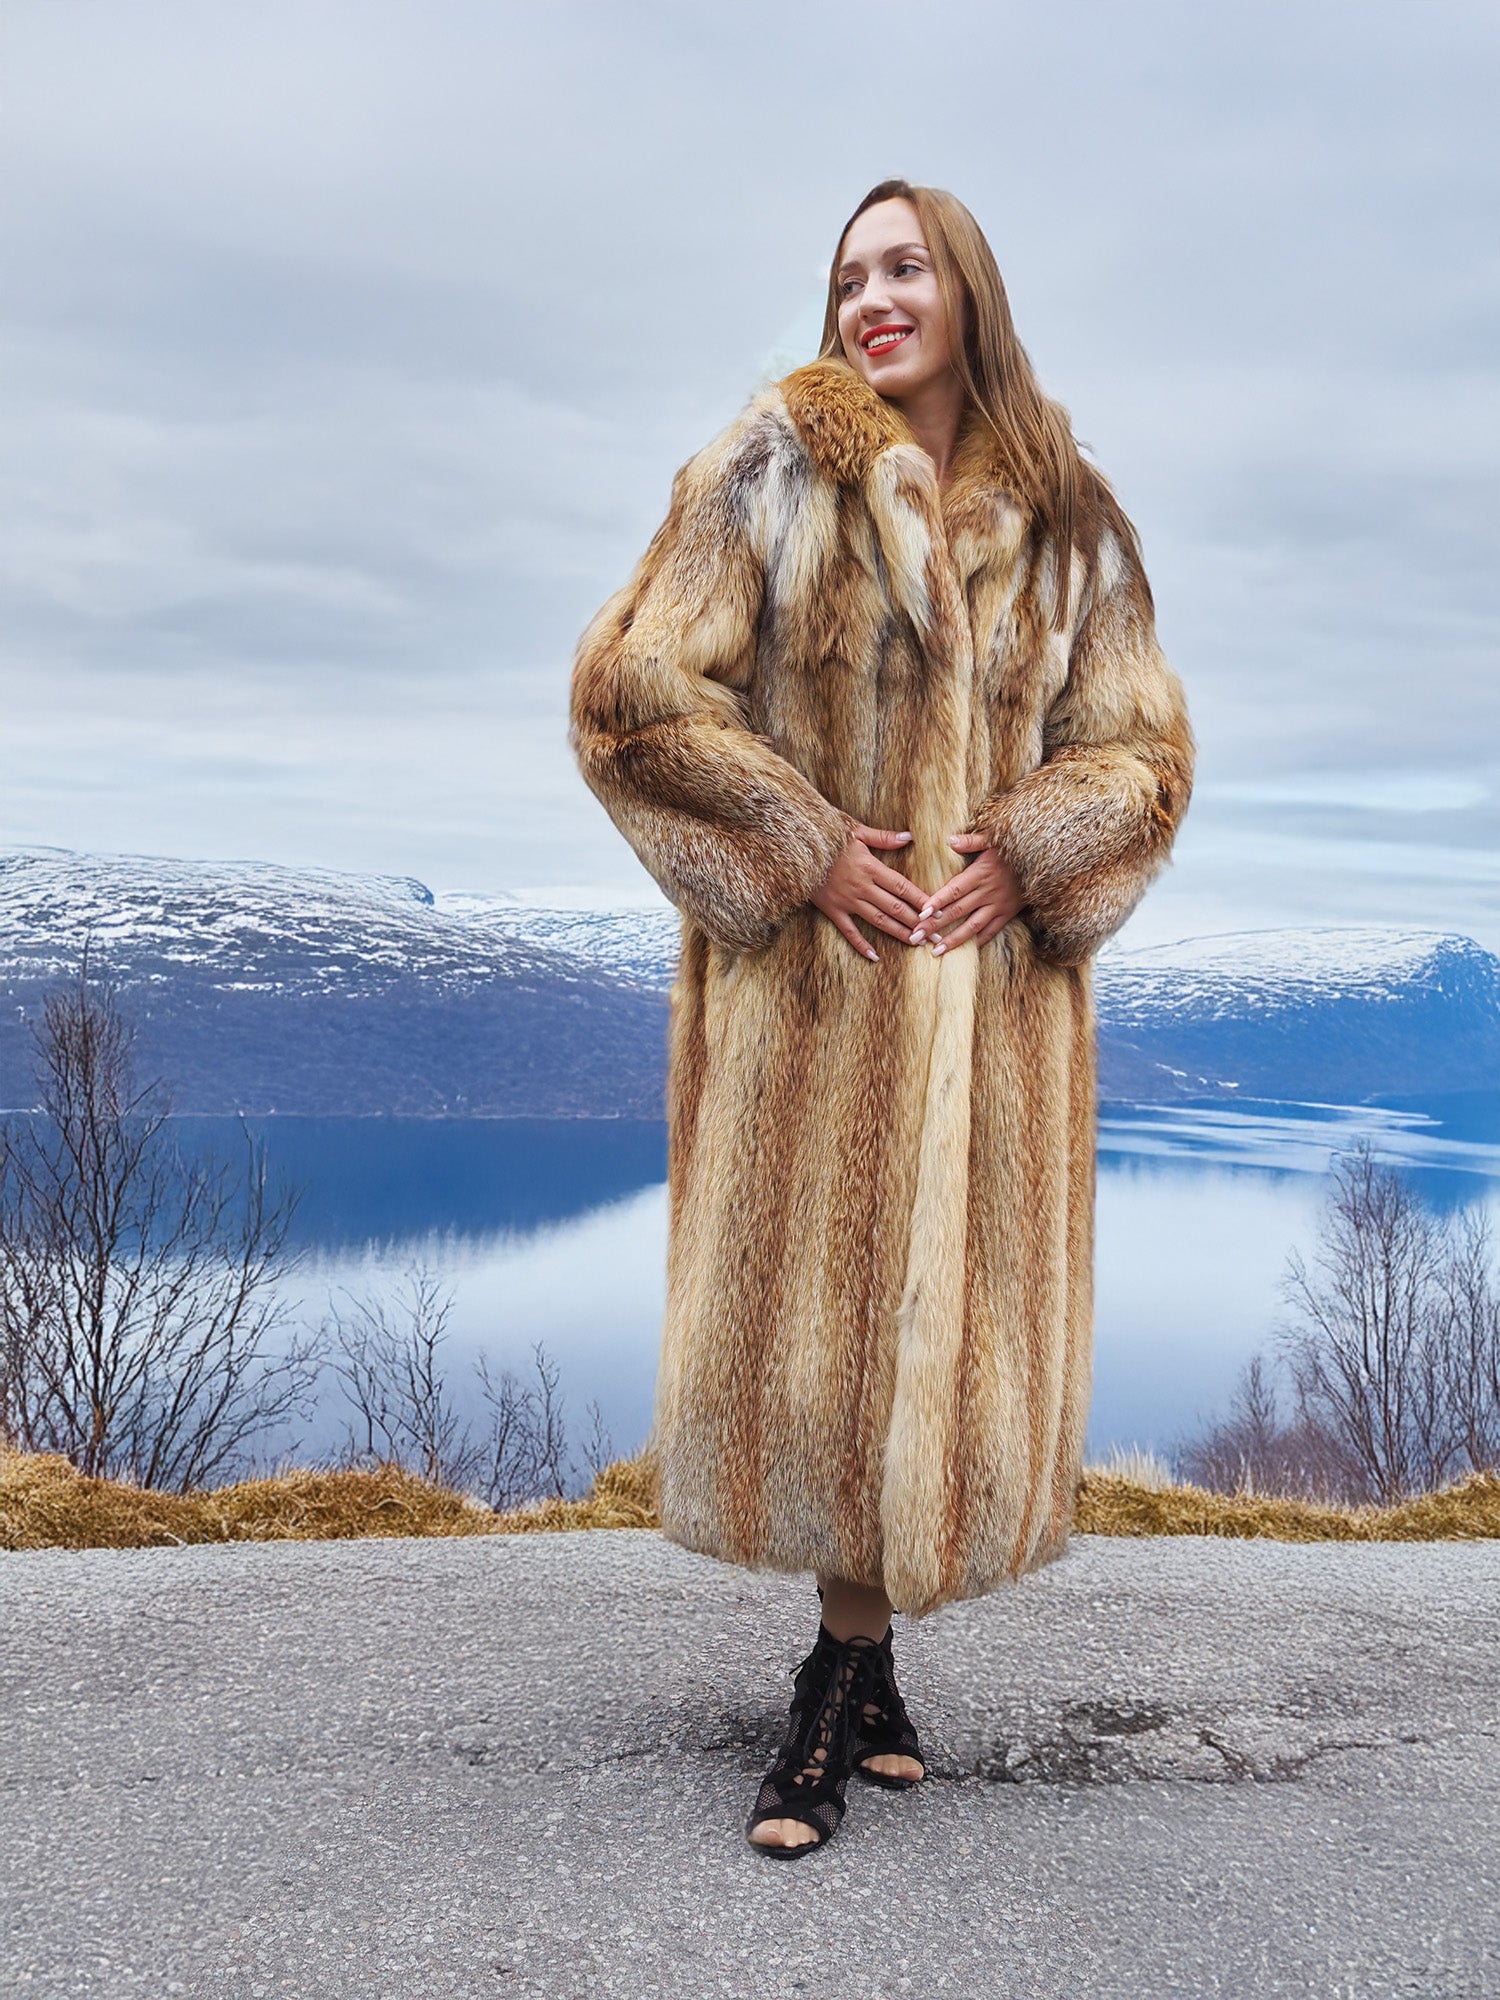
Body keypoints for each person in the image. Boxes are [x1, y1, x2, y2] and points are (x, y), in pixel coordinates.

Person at [568, 178, 1195, 1856]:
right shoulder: (771, 472)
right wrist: (801, 845)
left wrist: (1033, 848)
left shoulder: (1073, 524)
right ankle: (836, 1693)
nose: (873, 300)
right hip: (815, 1010)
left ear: (969, 289)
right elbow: (628, 699)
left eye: (906, 267)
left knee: (927, 1348)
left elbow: (1145, 757)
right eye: (850, 275)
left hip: (990, 1027)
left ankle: (862, 1671)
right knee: (838, 1345)